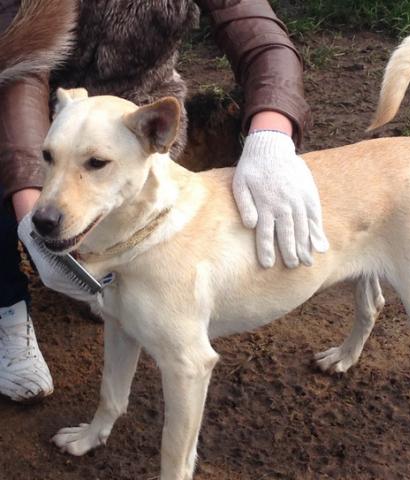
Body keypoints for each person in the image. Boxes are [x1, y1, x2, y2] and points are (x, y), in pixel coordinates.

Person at [0, 0, 328, 402]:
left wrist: (272, 134)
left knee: (126, 289)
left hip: (144, 121)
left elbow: (262, 41)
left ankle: (111, 264)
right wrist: (31, 213)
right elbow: (24, 70)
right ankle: (7, 306)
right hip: (43, 114)